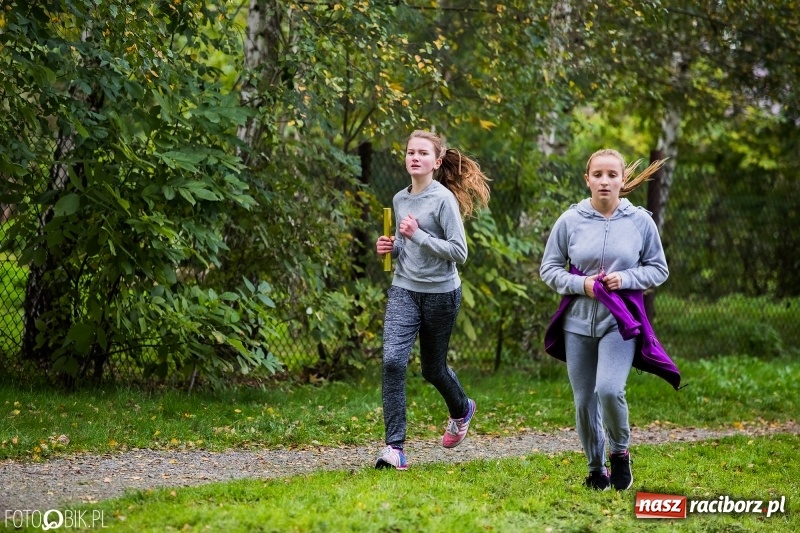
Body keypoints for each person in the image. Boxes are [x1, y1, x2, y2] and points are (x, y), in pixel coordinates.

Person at [540, 148, 681, 491]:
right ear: (587, 179)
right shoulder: (570, 220)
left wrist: (627, 279)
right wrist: (582, 284)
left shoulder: (640, 222)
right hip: (577, 324)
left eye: (612, 175)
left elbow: (658, 270)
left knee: (609, 389)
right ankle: (595, 469)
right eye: (598, 174)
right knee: (584, 399)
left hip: (620, 324)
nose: (605, 181)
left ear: (623, 180)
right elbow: (549, 269)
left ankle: (620, 453)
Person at [374, 129, 491, 470]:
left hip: (441, 295)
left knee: (432, 368)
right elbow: (406, 246)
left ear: (436, 162)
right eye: (411, 152)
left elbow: (459, 252)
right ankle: (394, 448)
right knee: (393, 362)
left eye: (423, 153)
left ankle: (462, 409)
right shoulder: (399, 199)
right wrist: (393, 246)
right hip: (404, 290)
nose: (415, 157)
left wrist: (418, 234)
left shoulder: (443, 200)